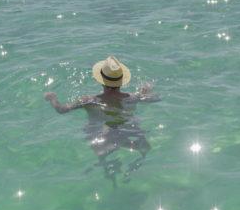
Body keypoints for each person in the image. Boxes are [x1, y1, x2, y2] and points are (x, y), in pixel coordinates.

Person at [44, 56, 159, 184]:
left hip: (102, 135)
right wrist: (146, 90)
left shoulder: (88, 100)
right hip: (128, 130)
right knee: (142, 144)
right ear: (121, 81)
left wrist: (52, 98)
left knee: (103, 155)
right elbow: (154, 99)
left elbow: (61, 109)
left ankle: (110, 177)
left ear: (101, 80)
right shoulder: (133, 98)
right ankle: (134, 165)